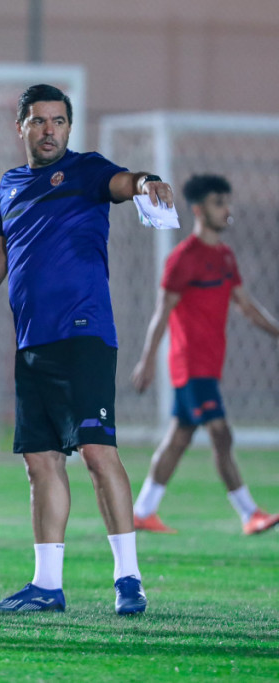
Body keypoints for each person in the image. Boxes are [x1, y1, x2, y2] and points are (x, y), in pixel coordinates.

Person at [0, 84, 173, 615]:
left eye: (58, 121)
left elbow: (125, 182)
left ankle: (128, 579)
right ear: (20, 126)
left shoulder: (86, 170)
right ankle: (46, 585)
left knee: (97, 452)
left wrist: (146, 182)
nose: (49, 131)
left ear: (69, 127)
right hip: (32, 341)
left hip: (84, 334)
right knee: (40, 460)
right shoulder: (10, 185)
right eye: (38, 121)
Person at [130, 174, 279, 536]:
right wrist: (147, 360)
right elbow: (162, 313)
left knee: (179, 437)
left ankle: (143, 511)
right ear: (199, 210)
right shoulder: (184, 259)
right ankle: (249, 513)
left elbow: (246, 306)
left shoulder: (225, 257)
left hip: (210, 366)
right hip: (189, 365)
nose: (226, 209)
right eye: (218, 203)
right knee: (220, 433)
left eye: (227, 202)